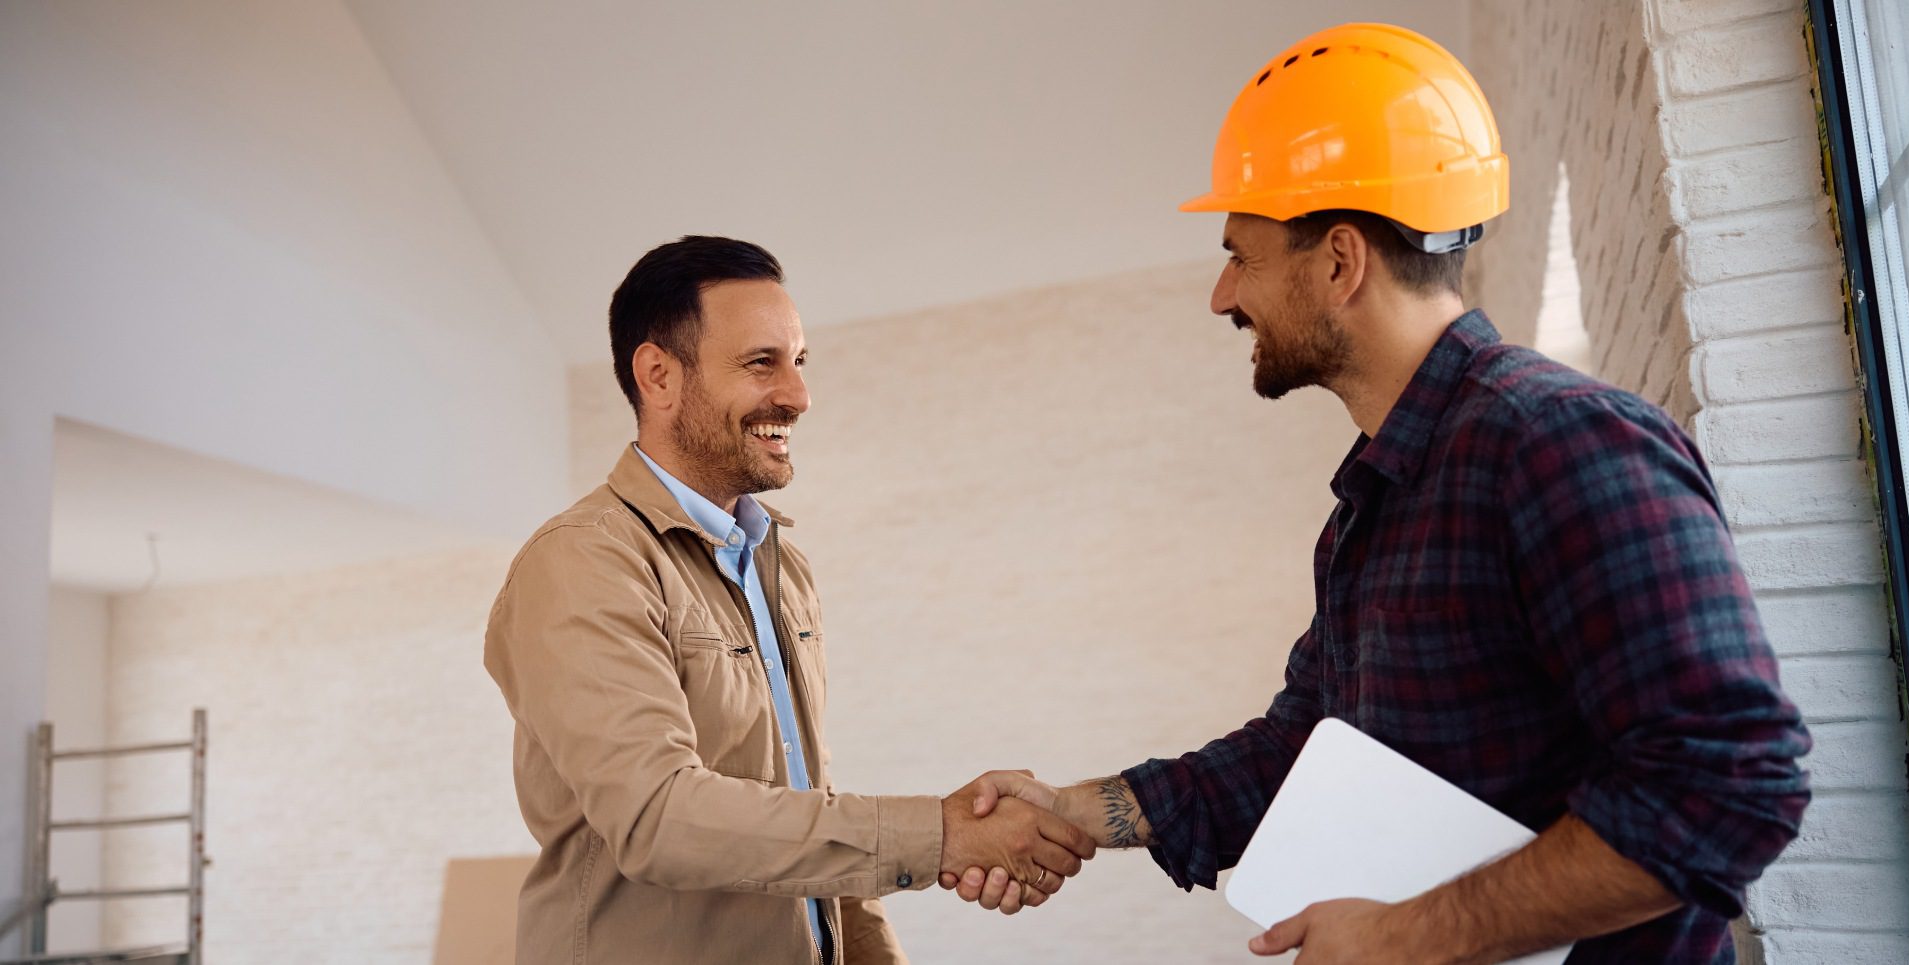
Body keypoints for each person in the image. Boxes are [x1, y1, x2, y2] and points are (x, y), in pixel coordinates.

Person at [947, 23, 1811, 963]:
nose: (1222, 294)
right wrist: (1085, 810)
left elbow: (1728, 784)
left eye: (1241, 253)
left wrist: (1409, 935)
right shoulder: (1377, 503)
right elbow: (1304, 747)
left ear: (1339, 261)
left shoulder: (1555, 440)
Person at [484, 235, 1095, 965]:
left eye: (798, 361)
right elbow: (659, 816)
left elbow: (807, 793)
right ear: (659, 375)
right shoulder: (583, 560)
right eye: (760, 362)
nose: (798, 396)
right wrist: (942, 833)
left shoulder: (780, 563)